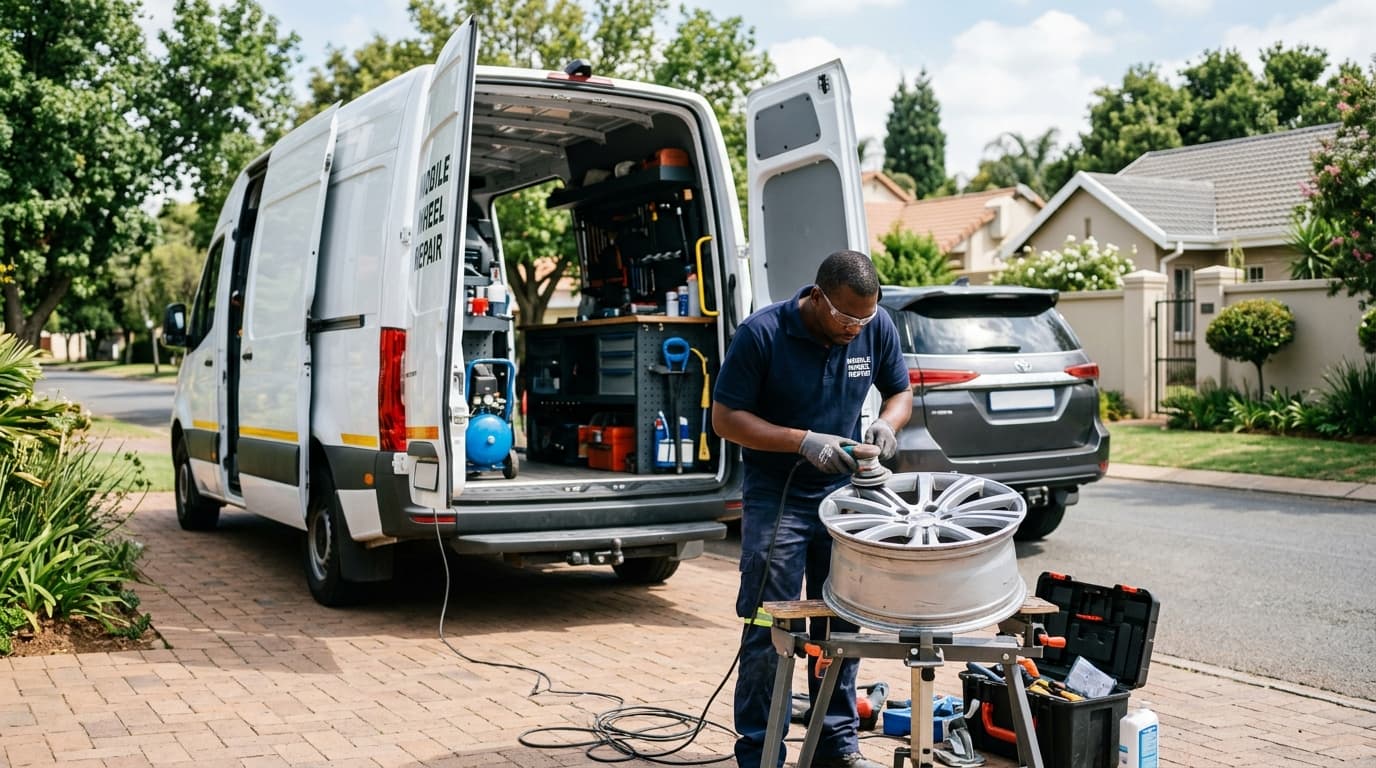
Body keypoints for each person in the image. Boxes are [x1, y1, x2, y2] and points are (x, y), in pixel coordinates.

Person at [712, 250, 913, 768]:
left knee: (841, 625)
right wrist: (801, 442)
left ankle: (836, 744)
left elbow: (900, 392)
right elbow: (726, 419)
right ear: (818, 297)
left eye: (864, 318)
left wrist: (888, 423)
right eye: (846, 317)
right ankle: (760, 751)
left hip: (841, 499)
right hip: (776, 494)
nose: (856, 328)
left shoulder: (875, 324)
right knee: (769, 625)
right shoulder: (761, 334)